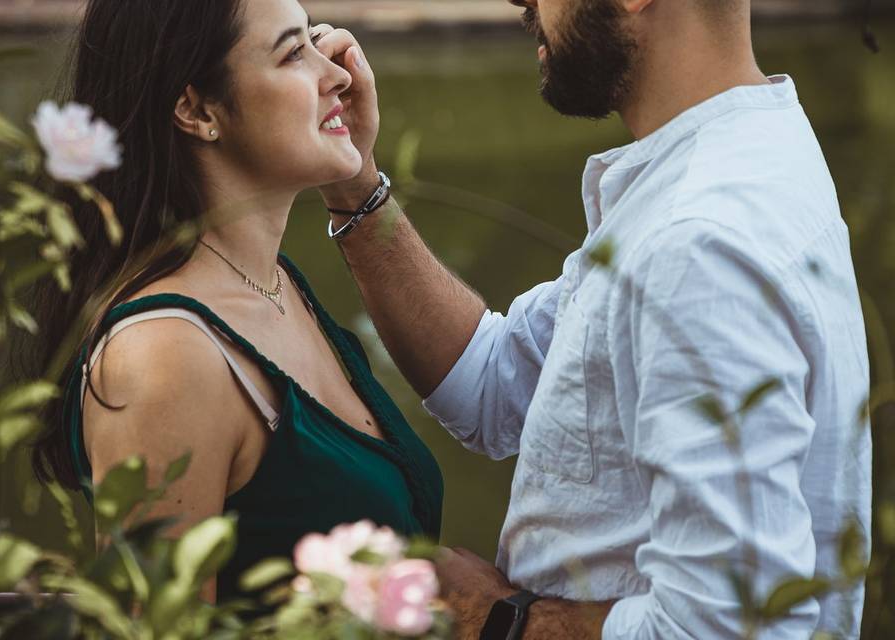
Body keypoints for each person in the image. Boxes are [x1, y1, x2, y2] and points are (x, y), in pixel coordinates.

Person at [314, 0, 872, 637]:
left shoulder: (698, 243)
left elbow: (733, 630)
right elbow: (494, 382)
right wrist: (356, 186)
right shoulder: (734, 159)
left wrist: (497, 620)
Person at [26, 0, 442, 605]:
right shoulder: (165, 355)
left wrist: (357, 175)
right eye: (294, 52)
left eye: (316, 41)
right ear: (196, 108)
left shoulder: (277, 286)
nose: (341, 74)